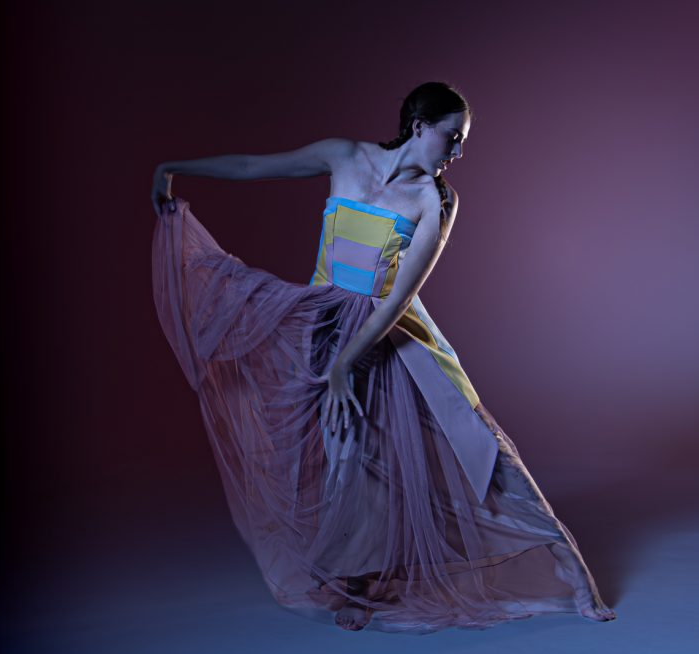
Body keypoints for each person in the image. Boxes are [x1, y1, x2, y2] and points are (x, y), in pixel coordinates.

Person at [149, 81, 616, 633]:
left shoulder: (435, 200)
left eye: (462, 143)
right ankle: (355, 585)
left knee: (478, 448)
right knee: (347, 461)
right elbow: (254, 165)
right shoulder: (344, 157)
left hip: (391, 334)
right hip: (323, 326)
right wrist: (172, 167)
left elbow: (399, 296)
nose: (458, 153)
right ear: (420, 127)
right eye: (453, 138)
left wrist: (350, 360)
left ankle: (569, 566)